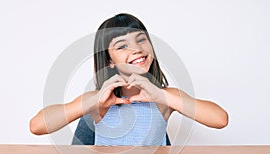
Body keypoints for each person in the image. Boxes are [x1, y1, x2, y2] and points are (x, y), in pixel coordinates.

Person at [30, 13, 228, 146]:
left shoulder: (165, 98)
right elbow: (37, 126)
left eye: (141, 40)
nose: (137, 49)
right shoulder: (97, 101)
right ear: (109, 61)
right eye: (122, 46)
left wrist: (162, 96)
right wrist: (94, 101)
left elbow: (220, 120)